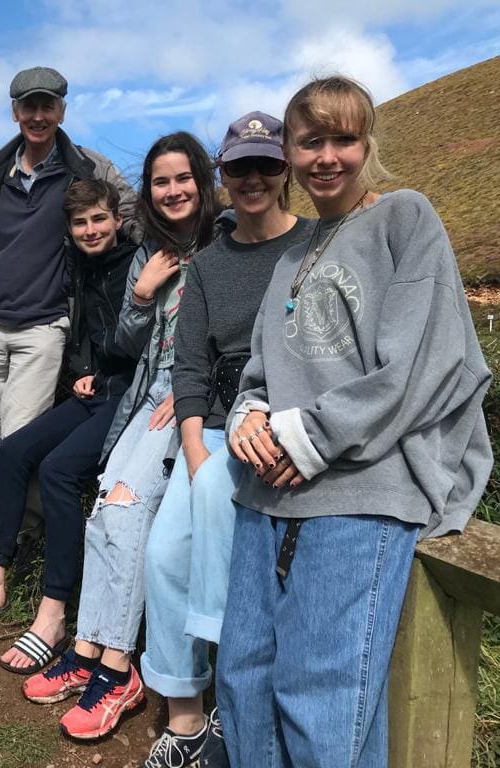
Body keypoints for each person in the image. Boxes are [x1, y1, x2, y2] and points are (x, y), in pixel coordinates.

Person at [216, 75, 493, 767]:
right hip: (266, 492)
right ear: (289, 153)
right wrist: (248, 417)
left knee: (322, 699)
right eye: (311, 141)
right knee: (243, 683)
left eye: (344, 138)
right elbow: (260, 372)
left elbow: (418, 366)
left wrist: (306, 437)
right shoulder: (291, 256)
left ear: (368, 145)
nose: (327, 156)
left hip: (361, 491)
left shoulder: (405, 218)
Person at [19, 131, 220, 740]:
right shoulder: (150, 251)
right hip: (146, 393)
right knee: (107, 510)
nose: (173, 190)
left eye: (183, 178)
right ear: (149, 193)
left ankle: (116, 669)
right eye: (161, 181)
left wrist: (191, 394)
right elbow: (123, 345)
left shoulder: (227, 237)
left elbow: (232, 338)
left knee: (127, 511)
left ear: (202, 181)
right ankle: (86, 651)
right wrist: (141, 293)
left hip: (187, 396)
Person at [138, 113, 315, 767]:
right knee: (162, 554)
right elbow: (188, 370)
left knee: (213, 492)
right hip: (211, 426)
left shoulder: (316, 246)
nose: (253, 179)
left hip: (280, 424)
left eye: (266, 165)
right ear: (225, 174)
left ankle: (232, 698)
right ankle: (187, 717)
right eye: (239, 167)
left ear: (285, 170)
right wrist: (195, 451)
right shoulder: (209, 264)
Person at [0, 180, 139, 670]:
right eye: (81, 222)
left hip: (131, 398)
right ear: (70, 228)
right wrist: (82, 371)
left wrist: (142, 297)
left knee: (60, 471)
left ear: (118, 219)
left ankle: (53, 613)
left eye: (99, 220)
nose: (91, 230)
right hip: (96, 390)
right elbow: (83, 335)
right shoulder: (77, 268)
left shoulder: (136, 263)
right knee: (13, 451)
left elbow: (142, 339)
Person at [0, 67, 137, 552]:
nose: (37, 115)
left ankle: (22, 541)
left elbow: (133, 215)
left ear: (62, 111)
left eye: (46, 105)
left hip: (46, 326)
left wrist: (183, 252)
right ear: (15, 112)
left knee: (20, 441)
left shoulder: (90, 169)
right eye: (28, 106)